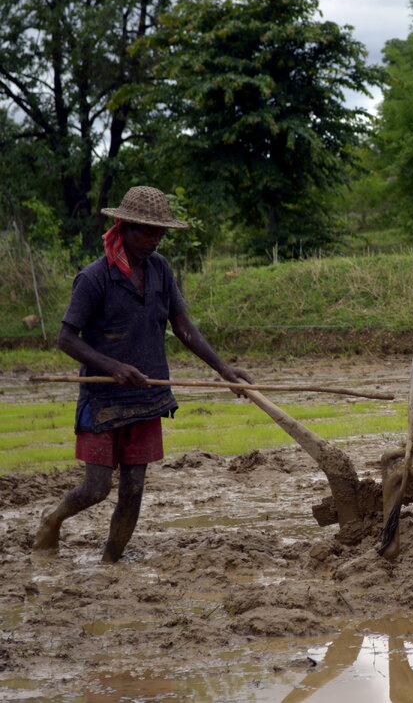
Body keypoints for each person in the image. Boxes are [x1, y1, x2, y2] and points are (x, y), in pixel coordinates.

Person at [32, 186, 253, 563]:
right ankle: (53, 519)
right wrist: (113, 367)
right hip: (103, 400)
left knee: (133, 491)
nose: (154, 240)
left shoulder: (160, 269)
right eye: (147, 233)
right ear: (124, 228)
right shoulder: (94, 277)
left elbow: (182, 325)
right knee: (96, 489)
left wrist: (224, 369)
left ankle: (111, 563)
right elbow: (66, 339)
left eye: (159, 233)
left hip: (148, 397)